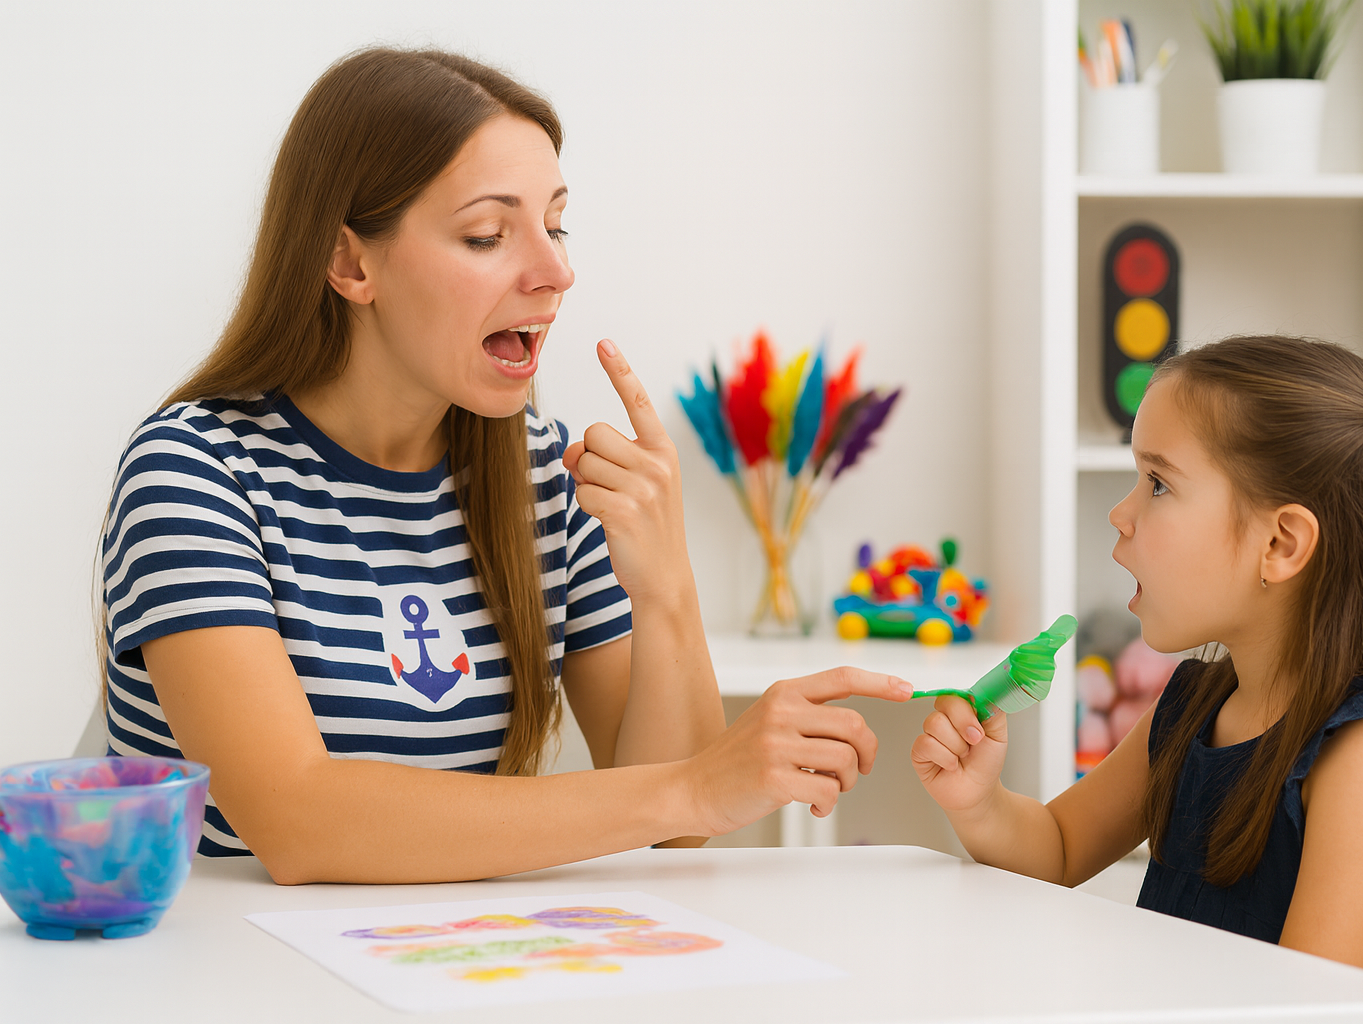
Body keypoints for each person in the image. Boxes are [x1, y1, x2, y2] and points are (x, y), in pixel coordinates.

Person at [99, 47, 911, 886]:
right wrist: (690, 789)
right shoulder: (194, 472)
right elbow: (299, 823)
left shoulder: (542, 472)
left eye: (556, 225)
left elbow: (677, 839)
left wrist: (667, 584)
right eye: (488, 234)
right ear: (351, 264)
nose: (557, 272)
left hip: (452, 964)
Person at [911, 336, 1363, 1022]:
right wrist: (978, 802)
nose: (1121, 513)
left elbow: (1305, 1014)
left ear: (1281, 545)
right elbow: (1059, 848)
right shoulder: (1194, 705)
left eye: (1158, 483)